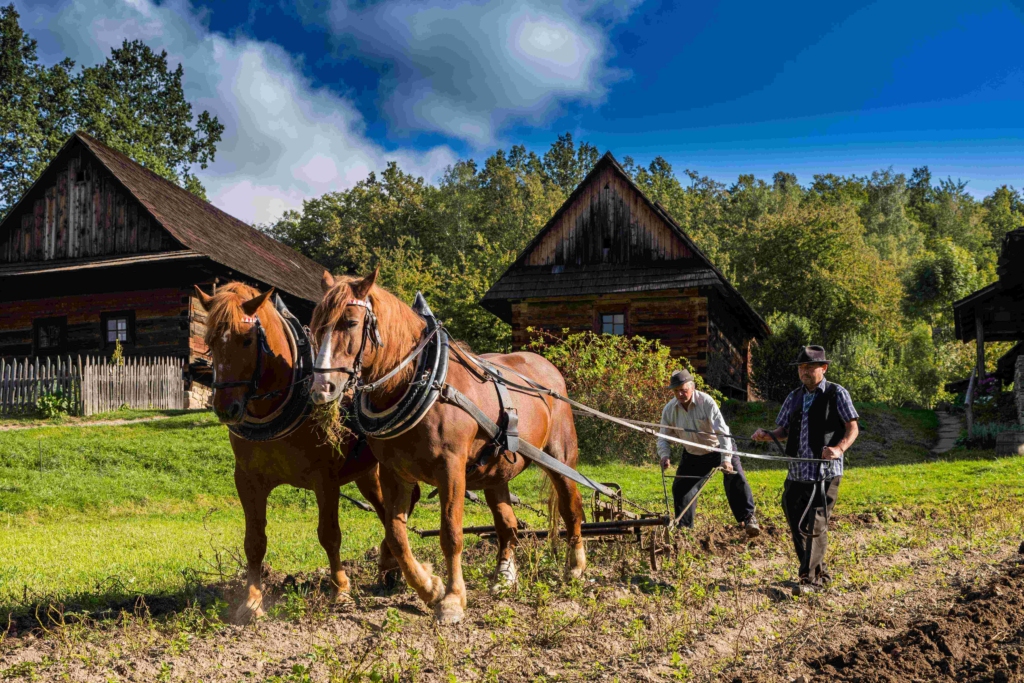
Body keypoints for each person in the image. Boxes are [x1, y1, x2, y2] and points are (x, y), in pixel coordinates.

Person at [751, 345, 859, 596]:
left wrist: (839, 449)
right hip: (797, 472)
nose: (805, 372)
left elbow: (852, 427)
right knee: (793, 516)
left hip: (825, 472)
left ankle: (808, 581)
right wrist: (767, 435)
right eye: (801, 368)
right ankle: (817, 571)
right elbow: (784, 430)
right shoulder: (794, 397)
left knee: (816, 523)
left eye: (810, 367)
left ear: (824, 368)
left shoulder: (837, 393)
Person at [657, 369, 760, 538]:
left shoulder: (706, 402)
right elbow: (662, 437)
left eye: (684, 389)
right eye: (676, 391)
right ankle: (684, 530)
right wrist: (665, 455)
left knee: (736, 478)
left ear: (693, 387)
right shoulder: (670, 409)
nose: (680, 394)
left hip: (719, 448)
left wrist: (726, 459)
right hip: (693, 454)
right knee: (681, 488)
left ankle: (748, 519)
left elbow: (723, 432)